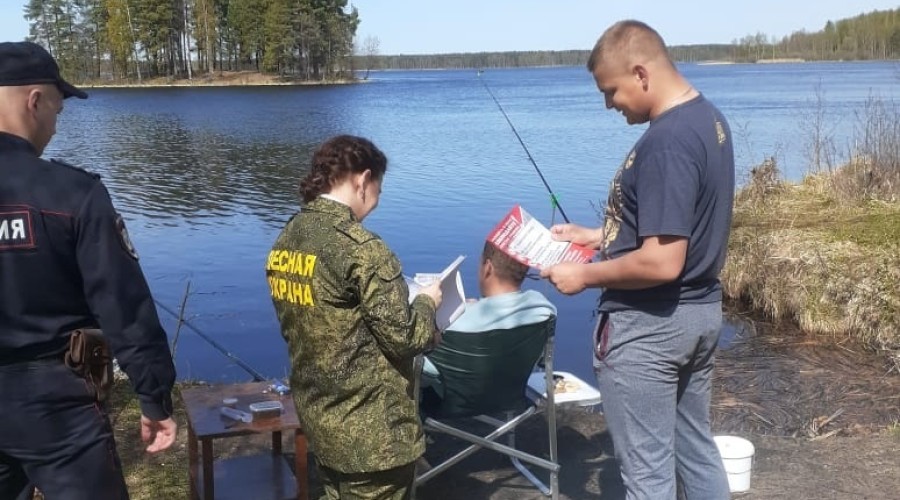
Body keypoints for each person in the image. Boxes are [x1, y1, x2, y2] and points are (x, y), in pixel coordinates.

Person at [540, 20, 734, 500]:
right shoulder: (706, 117)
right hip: (699, 314)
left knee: (648, 479)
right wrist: (597, 235)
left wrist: (583, 275)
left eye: (612, 91)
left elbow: (662, 261)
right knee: (696, 450)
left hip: (650, 330)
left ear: (641, 73)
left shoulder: (667, 142)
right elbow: (679, 224)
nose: (609, 105)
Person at [0, 41, 177, 499]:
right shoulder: (72, 194)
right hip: (56, 405)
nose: (56, 127)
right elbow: (121, 304)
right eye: (57, 111)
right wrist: (153, 396)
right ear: (34, 102)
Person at [266, 134, 443, 500]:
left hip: (321, 418)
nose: (377, 200)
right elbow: (406, 338)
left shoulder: (288, 237)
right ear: (363, 180)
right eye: (378, 187)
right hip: (373, 433)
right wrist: (428, 302)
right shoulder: (362, 249)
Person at [421, 240, 556, 398]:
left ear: (488, 268)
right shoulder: (544, 309)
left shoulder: (452, 323)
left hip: (447, 406)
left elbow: (426, 369)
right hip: (510, 399)